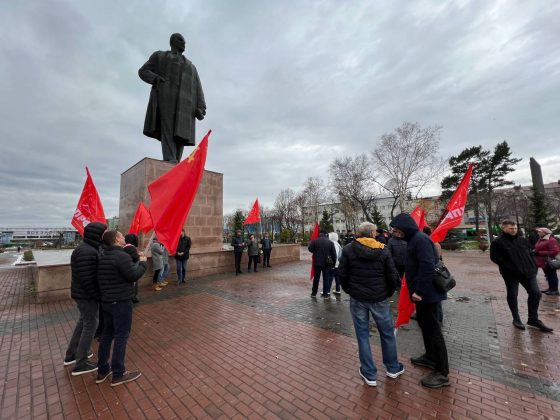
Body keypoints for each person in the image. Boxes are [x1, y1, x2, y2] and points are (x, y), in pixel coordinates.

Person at [390, 213, 450, 388]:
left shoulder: (420, 240)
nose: (395, 233)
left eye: (397, 229)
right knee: (425, 326)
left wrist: (419, 291)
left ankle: (442, 373)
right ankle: (430, 357)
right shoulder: (414, 240)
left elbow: (427, 266)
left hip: (427, 294)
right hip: (423, 294)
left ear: (405, 227)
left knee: (433, 331)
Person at [339, 222, 403, 386]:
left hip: (358, 298)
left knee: (362, 335)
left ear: (359, 233)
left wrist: (350, 290)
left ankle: (369, 372)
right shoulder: (383, 249)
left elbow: (342, 275)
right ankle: (393, 367)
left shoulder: (348, 249)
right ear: (373, 234)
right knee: (387, 333)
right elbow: (392, 276)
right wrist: (387, 293)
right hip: (379, 298)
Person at [138, 33, 206, 163]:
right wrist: (157, 79)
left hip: (186, 104)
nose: (184, 43)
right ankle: (170, 159)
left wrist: (201, 108)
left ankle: (175, 162)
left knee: (181, 133)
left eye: (184, 41)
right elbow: (143, 71)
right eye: (181, 40)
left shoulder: (191, 66)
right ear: (172, 41)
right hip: (166, 97)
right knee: (167, 127)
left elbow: (198, 88)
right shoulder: (159, 56)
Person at [96, 230, 148, 386]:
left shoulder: (102, 256)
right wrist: (143, 263)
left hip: (106, 302)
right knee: (121, 336)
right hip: (121, 302)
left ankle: (102, 370)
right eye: (121, 235)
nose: (124, 237)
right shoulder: (121, 256)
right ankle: (118, 374)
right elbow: (133, 275)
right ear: (117, 239)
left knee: (107, 334)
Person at [490, 220, 553, 332]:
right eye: (511, 228)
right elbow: (495, 258)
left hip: (528, 272)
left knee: (536, 293)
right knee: (513, 295)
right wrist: (510, 268)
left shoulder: (522, 240)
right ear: (504, 228)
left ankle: (533, 319)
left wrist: (533, 266)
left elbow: (530, 253)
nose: (514, 230)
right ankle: (516, 319)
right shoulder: (498, 242)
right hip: (511, 274)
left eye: (515, 228)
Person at [64, 222, 107, 375]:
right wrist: (98, 296)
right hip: (87, 296)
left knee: (84, 322)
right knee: (91, 325)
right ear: (97, 234)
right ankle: (81, 363)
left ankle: (71, 355)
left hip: (83, 294)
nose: (105, 235)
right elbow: (87, 279)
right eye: (104, 233)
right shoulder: (87, 252)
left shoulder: (87, 249)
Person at [308, 230, 337, 298]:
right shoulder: (330, 242)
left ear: (320, 234)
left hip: (317, 263)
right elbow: (334, 254)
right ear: (326, 234)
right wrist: (333, 264)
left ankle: (314, 293)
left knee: (316, 279)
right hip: (327, 263)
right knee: (326, 278)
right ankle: (325, 294)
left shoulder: (315, 241)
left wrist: (316, 251)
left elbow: (310, 249)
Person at [534, 227, 559, 295]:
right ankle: (551, 288)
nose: (538, 233)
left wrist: (539, 253)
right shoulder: (541, 239)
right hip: (543, 261)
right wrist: (534, 251)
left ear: (544, 233)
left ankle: (554, 290)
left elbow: (554, 252)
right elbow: (538, 248)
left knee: (552, 275)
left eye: (539, 232)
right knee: (548, 275)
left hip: (549, 261)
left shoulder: (551, 240)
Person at [124, 234, 141, 303]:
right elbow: (135, 258)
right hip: (133, 269)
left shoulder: (126, 247)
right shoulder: (130, 247)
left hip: (129, 269)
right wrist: (139, 257)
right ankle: (133, 297)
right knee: (133, 284)